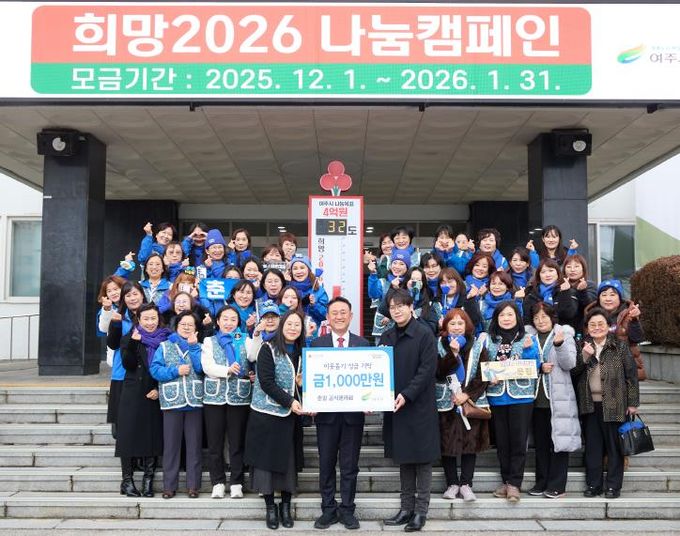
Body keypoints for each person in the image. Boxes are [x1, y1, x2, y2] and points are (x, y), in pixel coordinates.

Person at [381, 288, 439, 532]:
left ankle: (420, 511)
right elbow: (379, 369)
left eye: (401, 306)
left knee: (422, 460)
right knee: (404, 457)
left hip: (419, 406)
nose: (396, 311)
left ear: (410, 307)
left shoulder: (424, 334)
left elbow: (427, 371)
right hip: (395, 407)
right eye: (392, 307)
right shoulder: (387, 336)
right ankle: (406, 509)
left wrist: (407, 394)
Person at [310, 297, 370, 530]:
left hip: (353, 416)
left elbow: (368, 378)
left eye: (343, 312)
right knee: (326, 464)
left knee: (349, 465)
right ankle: (328, 509)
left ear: (351, 316)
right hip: (326, 416)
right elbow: (312, 378)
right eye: (334, 312)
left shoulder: (363, 344)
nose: (339, 316)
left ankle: (347, 509)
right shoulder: (317, 344)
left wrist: (371, 398)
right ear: (327, 317)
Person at [245, 310, 307, 530]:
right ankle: (270, 507)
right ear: (281, 325)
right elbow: (266, 382)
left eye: (297, 325)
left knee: (289, 462)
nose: (293, 328)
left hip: (291, 416)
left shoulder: (303, 352)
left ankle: (286, 506)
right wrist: (290, 401)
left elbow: (304, 382)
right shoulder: (267, 348)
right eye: (289, 324)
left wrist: (301, 387)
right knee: (266, 464)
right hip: (267, 414)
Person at [571, 307, 640, 498]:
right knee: (593, 447)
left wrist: (632, 402)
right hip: (589, 404)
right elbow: (573, 372)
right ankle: (594, 485)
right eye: (592, 324)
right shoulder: (581, 346)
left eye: (600, 324)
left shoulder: (619, 346)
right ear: (587, 327)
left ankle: (613, 486)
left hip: (615, 403)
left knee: (614, 447)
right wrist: (584, 357)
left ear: (609, 326)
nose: (596, 327)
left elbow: (631, 376)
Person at [485, 301, 540, 503]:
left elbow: (536, 365)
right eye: (502, 315)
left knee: (518, 441)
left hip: (521, 396)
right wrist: (489, 377)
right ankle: (506, 480)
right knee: (502, 443)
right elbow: (483, 364)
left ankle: (515, 483)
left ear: (517, 317)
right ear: (496, 318)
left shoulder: (528, 338)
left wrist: (528, 350)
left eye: (510, 314)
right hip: (497, 395)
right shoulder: (489, 340)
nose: (506, 318)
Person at [525, 302, 581, 499]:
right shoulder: (528, 337)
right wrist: (538, 367)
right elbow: (522, 365)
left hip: (559, 398)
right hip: (536, 399)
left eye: (544, 317)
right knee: (541, 444)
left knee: (559, 441)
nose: (540, 321)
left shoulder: (564, 335)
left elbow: (570, 364)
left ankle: (557, 485)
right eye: (536, 317)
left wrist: (559, 345)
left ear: (552, 317)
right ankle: (541, 482)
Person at [116, 303, 170, 497]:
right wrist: (133, 343)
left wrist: (159, 389)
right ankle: (127, 480)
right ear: (138, 320)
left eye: (153, 318)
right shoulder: (129, 337)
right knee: (127, 434)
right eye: (145, 319)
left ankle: (148, 480)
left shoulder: (166, 338)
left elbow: (168, 366)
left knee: (151, 435)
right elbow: (128, 364)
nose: (150, 322)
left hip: (154, 391)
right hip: (133, 391)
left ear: (158, 319)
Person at [201, 305, 255, 499]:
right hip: (214, 398)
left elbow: (253, 356)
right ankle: (217, 482)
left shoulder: (244, 339)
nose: (229, 323)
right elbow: (207, 366)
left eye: (233, 319)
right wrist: (227, 370)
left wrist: (256, 335)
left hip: (238, 397)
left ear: (238, 322)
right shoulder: (209, 340)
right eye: (225, 319)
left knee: (236, 442)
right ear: (217, 321)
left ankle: (237, 482)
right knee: (214, 444)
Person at [436, 309, 489, 502]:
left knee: (470, 443)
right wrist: (452, 353)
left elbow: (483, 375)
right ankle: (452, 484)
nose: (457, 327)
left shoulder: (478, 346)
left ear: (467, 325)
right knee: (447, 444)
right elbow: (437, 372)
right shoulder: (438, 344)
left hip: (470, 401)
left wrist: (466, 394)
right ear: (445, 326)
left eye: (460, 323)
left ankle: (466, 484)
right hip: (446, 402)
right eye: (452, 324)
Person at [149, 311, 204, 499]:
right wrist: (175, 371)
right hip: (172, 402)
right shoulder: (164, 346)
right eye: (183, 324)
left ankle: (193, 486)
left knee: (194, 446)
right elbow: (155, 370)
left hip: (194, 402)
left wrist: (194, 348)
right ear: (176, 326)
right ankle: (169, 487)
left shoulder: (200, 347)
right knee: (171, 447)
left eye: (191, 324)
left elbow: (201, 369)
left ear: (196, 329)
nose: (187, 327)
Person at [583, 279, 646, 380]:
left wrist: (634, 320)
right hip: (598, 369)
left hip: (626, 369)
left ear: (620, 297)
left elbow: (637, 339)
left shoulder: (629, 313)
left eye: (612, 295)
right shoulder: (591, 315)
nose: (608, 298)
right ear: (598, 298)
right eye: (604, 295)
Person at [522, 259, 578, 326]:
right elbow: (527, 320)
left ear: (558, 273)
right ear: (539, 275)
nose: (547, 275)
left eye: (551, 271)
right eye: (543, 272)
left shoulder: (568, 290)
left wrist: (565, 292)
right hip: (537, 330)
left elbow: (569, 314)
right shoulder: (531, 294)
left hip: (562, 329)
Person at [562, 254, 597, 338]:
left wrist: (582, 291)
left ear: (583, 269)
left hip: (582, 329)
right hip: (562, 330)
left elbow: (590, 306)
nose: (572, 270)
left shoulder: (590, 285)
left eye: (576, 266)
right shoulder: (559, 286)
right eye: (569, 267)